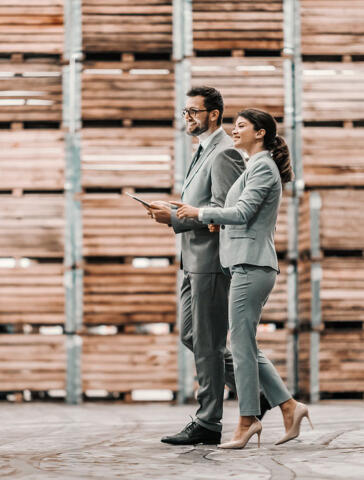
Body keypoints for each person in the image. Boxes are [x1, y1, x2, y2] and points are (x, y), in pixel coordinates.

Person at [172, 108, 312, 449]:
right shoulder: (254, 166)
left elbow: (243, 213)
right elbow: (240, 213)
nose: (234, 131)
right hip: (242, 265)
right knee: (244, 344)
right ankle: (290, 407)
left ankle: (249, 419)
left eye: (241, 126)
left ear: (260, 132)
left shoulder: (263, 166)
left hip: (252, 265)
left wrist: (201, 211)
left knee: (241, 344)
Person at [148, 86, 256, 445]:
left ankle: (209, 421)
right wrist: (173, 209)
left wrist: (175, 219)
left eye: (194, 111)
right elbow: (201, 203)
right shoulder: (201, 151)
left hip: (211, 261)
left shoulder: (225, 153)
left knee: (208, 343)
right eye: (185, 112)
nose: (188, 117)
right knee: (192, 336)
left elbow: (223, 212)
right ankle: (264, 393)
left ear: (214, 114)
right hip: (192, 260)